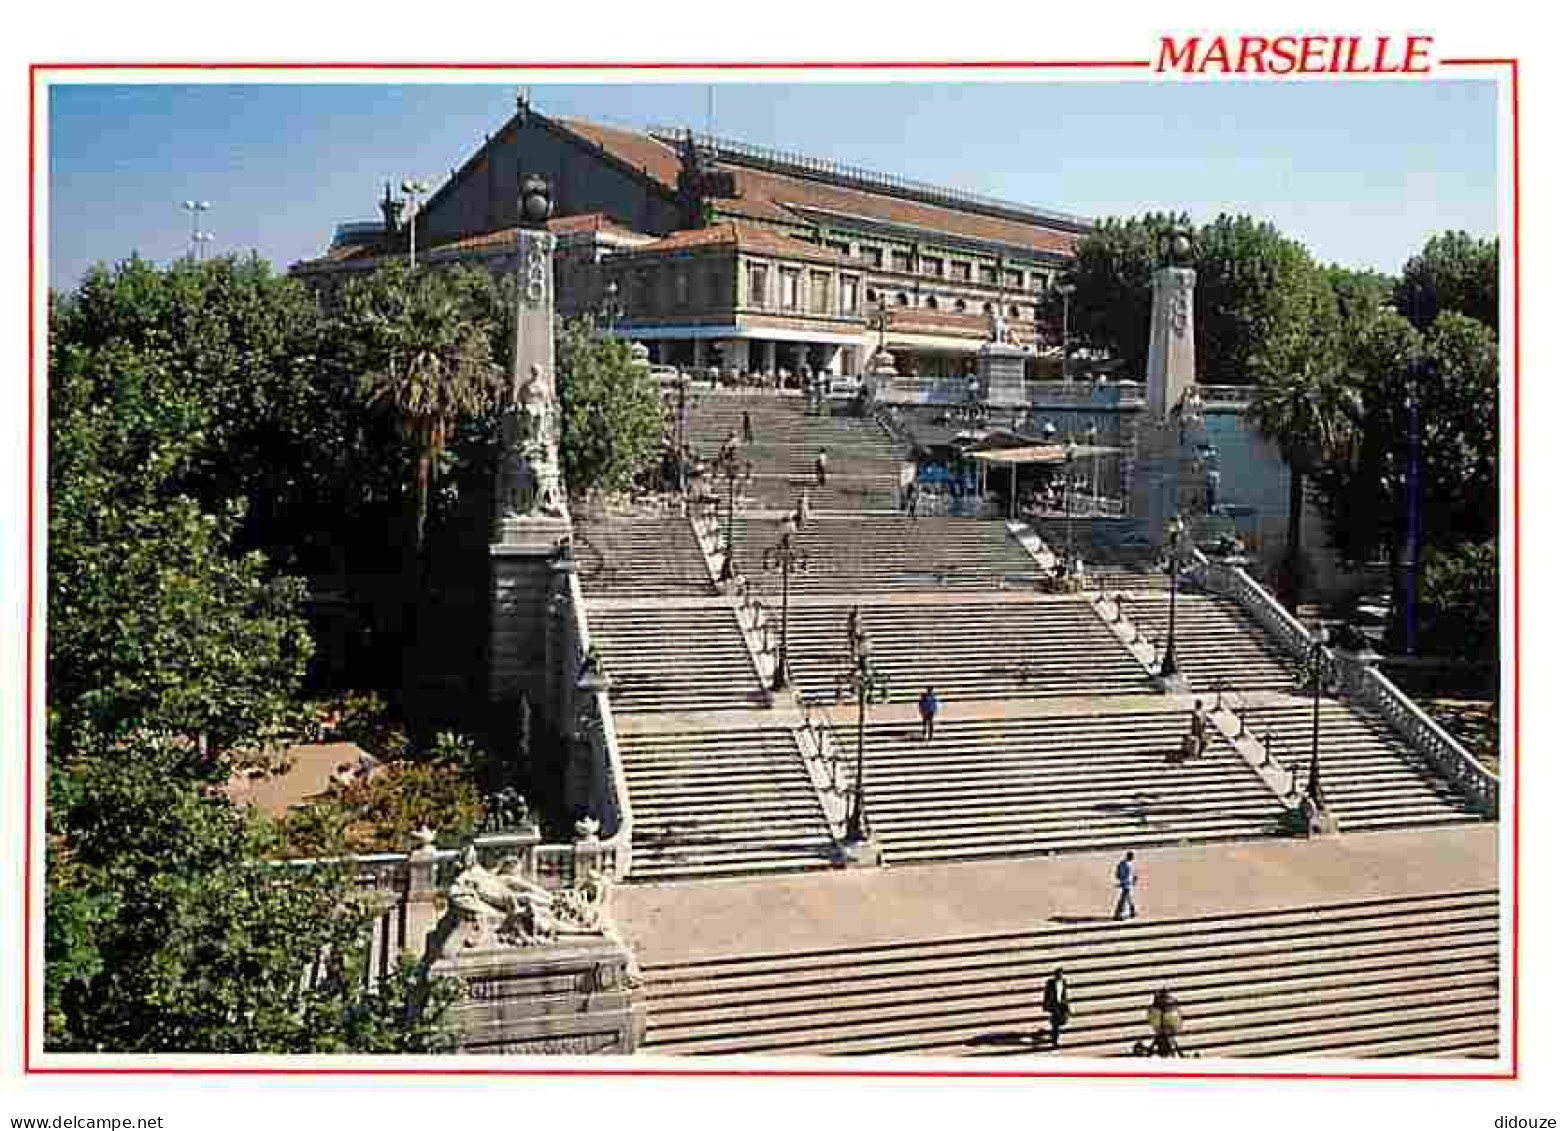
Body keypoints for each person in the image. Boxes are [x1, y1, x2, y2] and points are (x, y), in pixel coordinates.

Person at [1040, 967, 1071, 1047]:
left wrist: (1067, 1005)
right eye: (1059, 974)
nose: (1060, 976)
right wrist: (1045, 1004)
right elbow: (1046, 994)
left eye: (1061, 974)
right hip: (1053, 1005)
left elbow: (1064, 994)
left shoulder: (1064, 982)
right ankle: (1055, 1040)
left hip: (1061, 1004)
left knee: (1061, 1021)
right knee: (1056, 1023)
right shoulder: (1050, 982)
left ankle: (1052, 1034)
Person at [1113, 851, 1138, 920]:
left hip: (1126, 884)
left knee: (1129, 898)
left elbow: (1117, 874)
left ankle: (1132, 912)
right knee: (1124, 900)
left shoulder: (1122, 864)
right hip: (1127, 884)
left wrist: (1120, 881)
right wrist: (1133, 881)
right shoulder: (1129, 865)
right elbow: (1132, 875)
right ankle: (1119, 915)